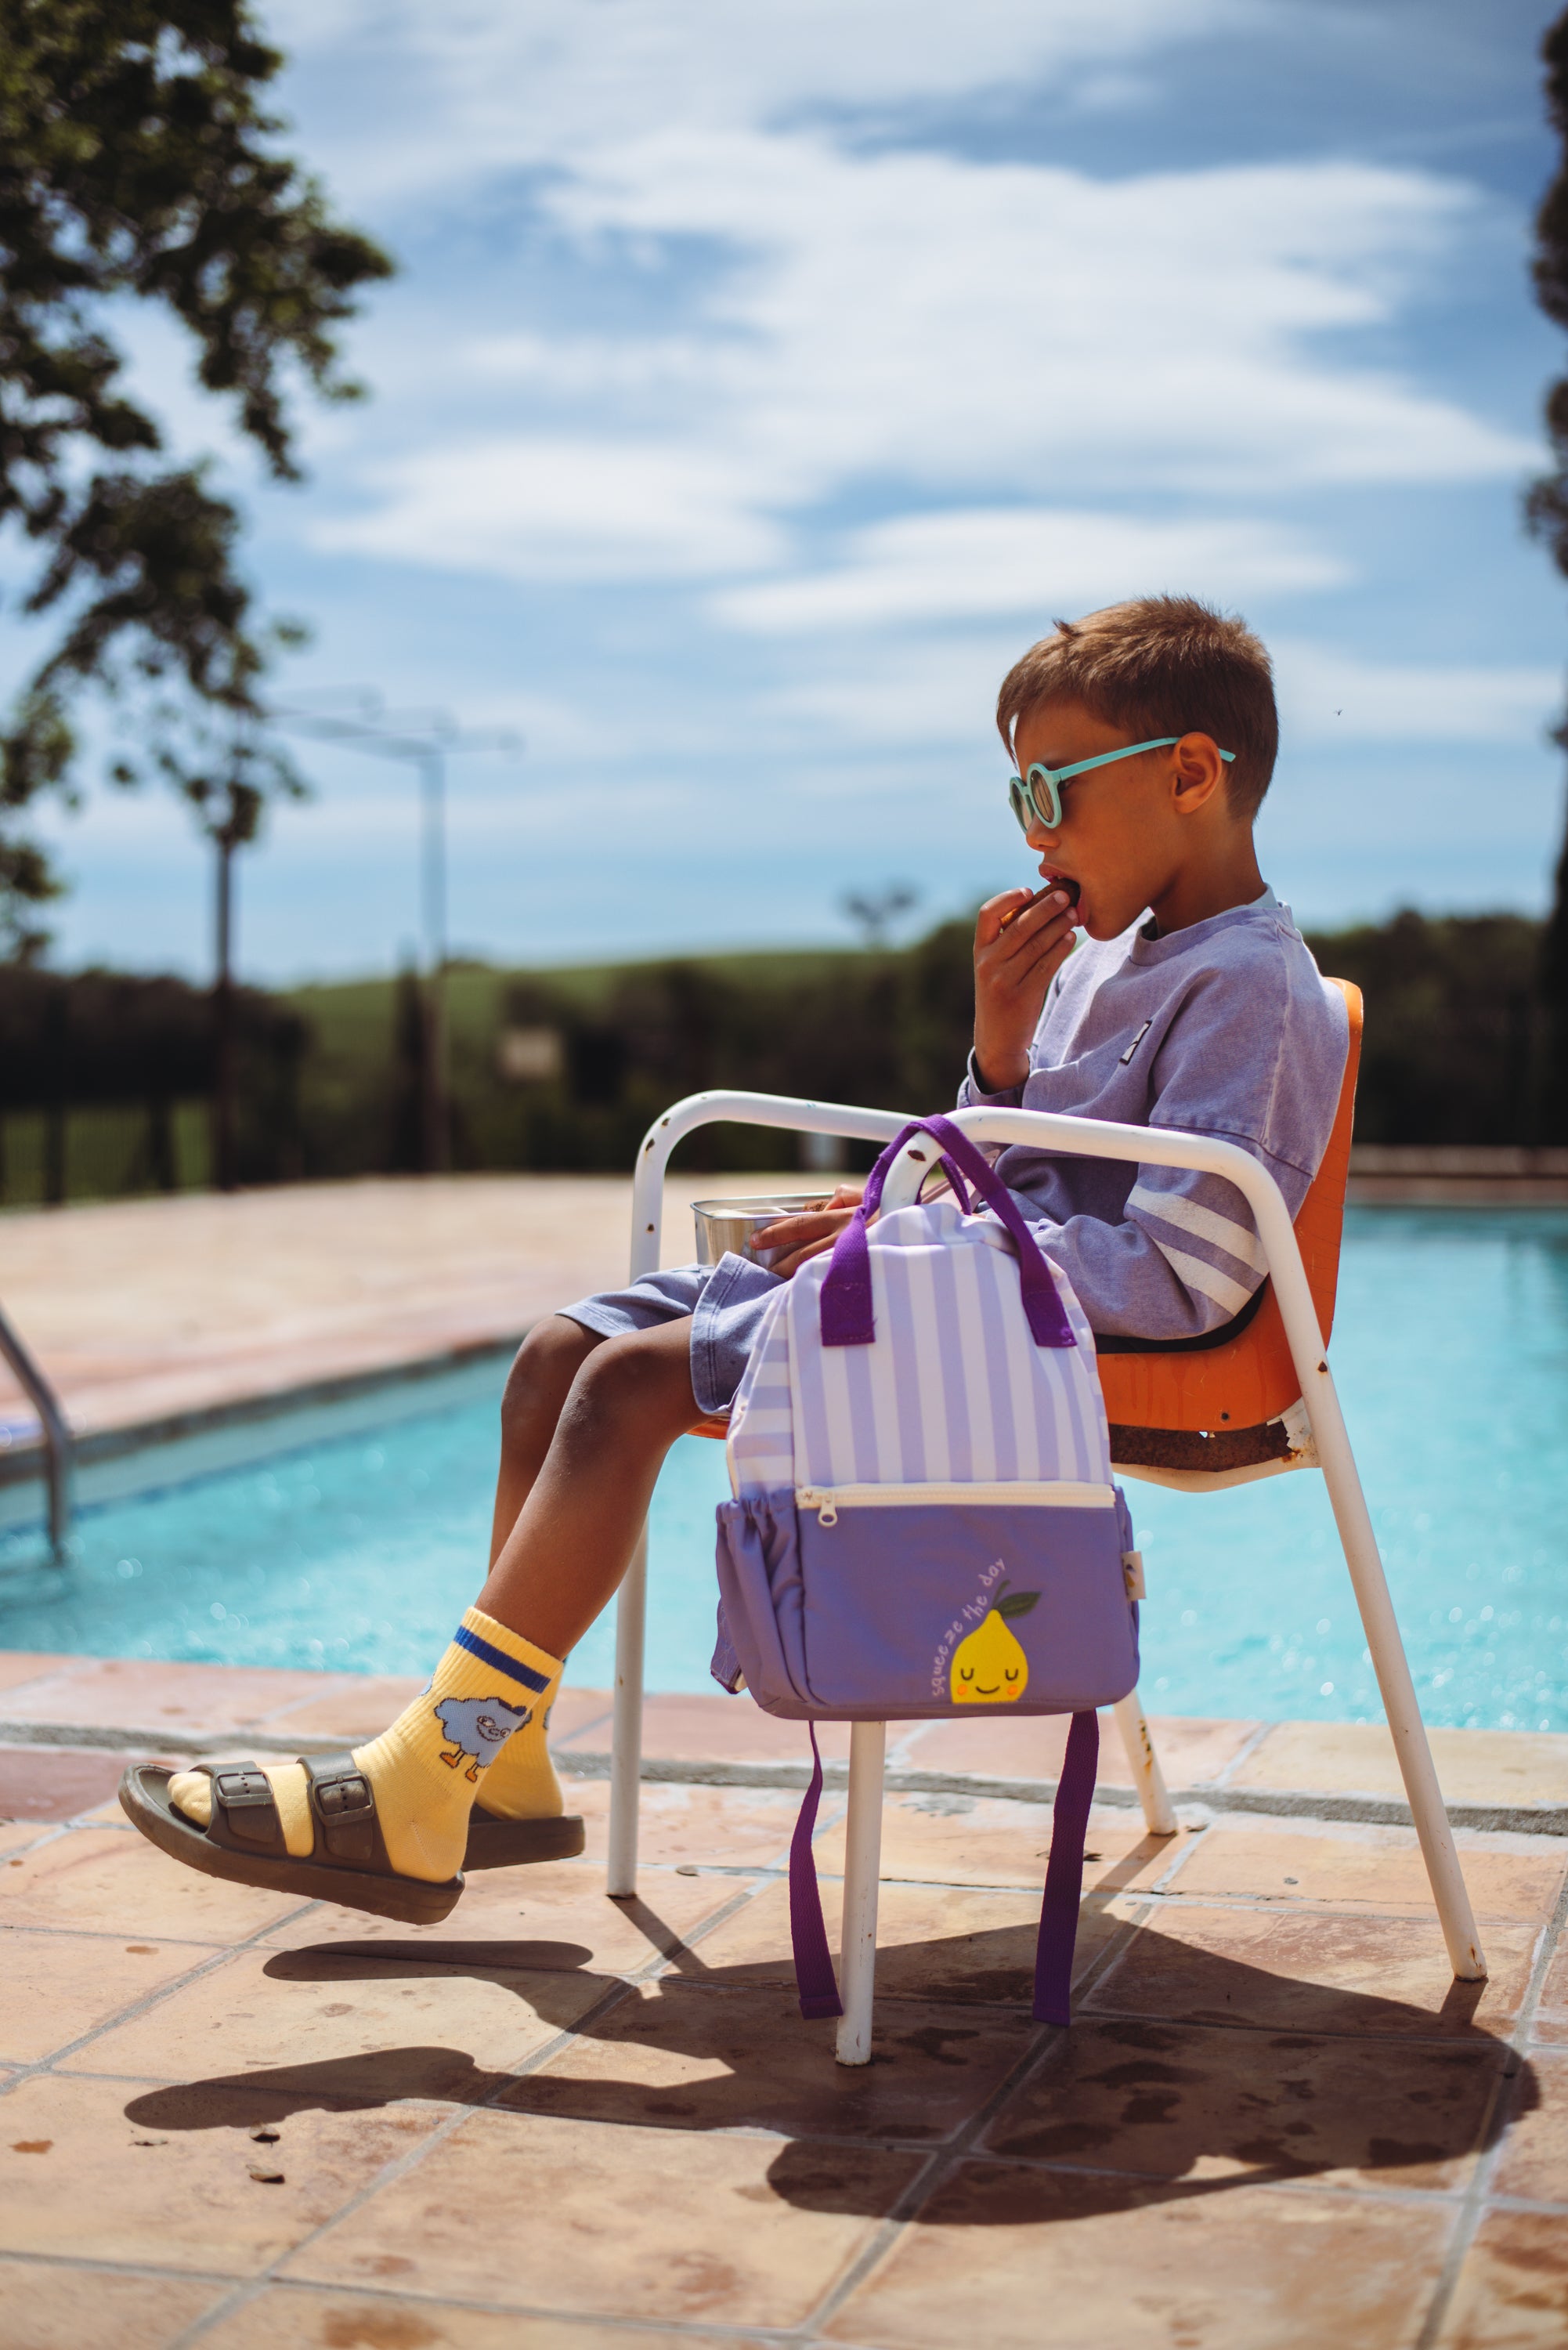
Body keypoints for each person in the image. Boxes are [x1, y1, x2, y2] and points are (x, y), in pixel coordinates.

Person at [121, 593, 1346, 1915]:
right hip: (985, 1291)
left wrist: (919, 1234)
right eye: (1017, 799)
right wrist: (990, 1065)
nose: (1033, 833)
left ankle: (428, 1776)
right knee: (559, 1353)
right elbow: (1019, 1166)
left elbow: (1180, 1278)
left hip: (1065, 1338)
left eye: (1052, 790)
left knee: (627, 1387)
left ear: (1188, 774)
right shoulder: (1104, 965)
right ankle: (505, 1763)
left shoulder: (1252, 989)